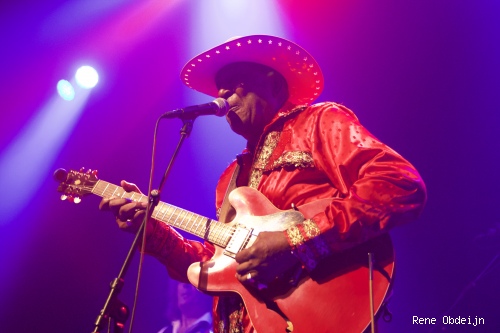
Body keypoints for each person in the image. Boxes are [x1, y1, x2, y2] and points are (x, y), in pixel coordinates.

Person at [99, 35, 427, 332]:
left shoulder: (319, 122)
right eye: (219, 87)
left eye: (235, 83)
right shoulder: (230, 177)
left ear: (274, 86)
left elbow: (397, 184)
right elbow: (215, 266)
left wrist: (294, 242)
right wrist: (150, 230)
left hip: (321, 314)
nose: (223, 93)